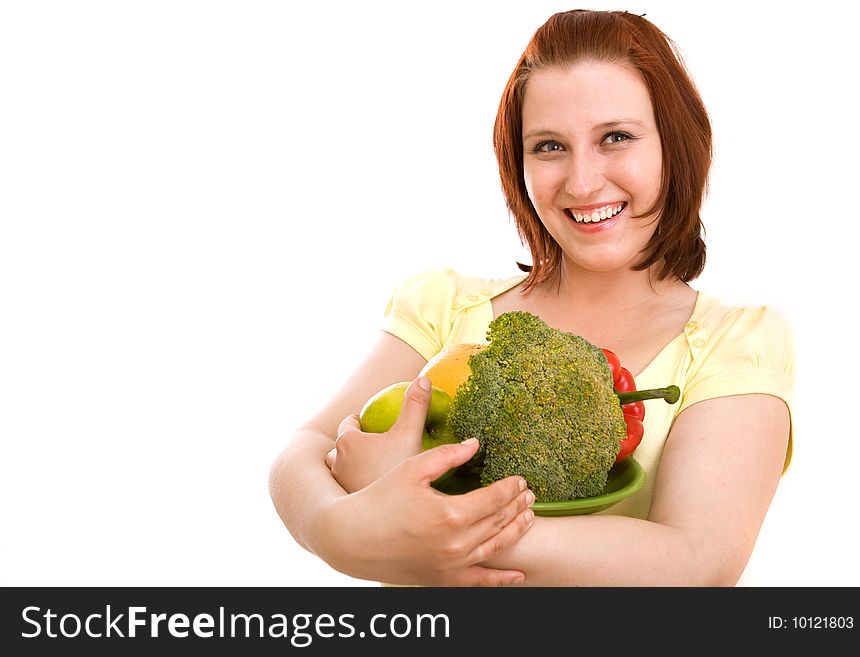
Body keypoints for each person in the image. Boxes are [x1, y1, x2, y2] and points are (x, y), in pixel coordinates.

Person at [268, 9, 794, 586]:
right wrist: (339, 531)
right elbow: (305, 450)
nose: (583, 182)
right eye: (549, 146)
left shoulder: (735, 341)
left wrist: (422, 524)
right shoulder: (446, 308)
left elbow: (697, 562)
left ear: (676, 145)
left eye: (615, 138)